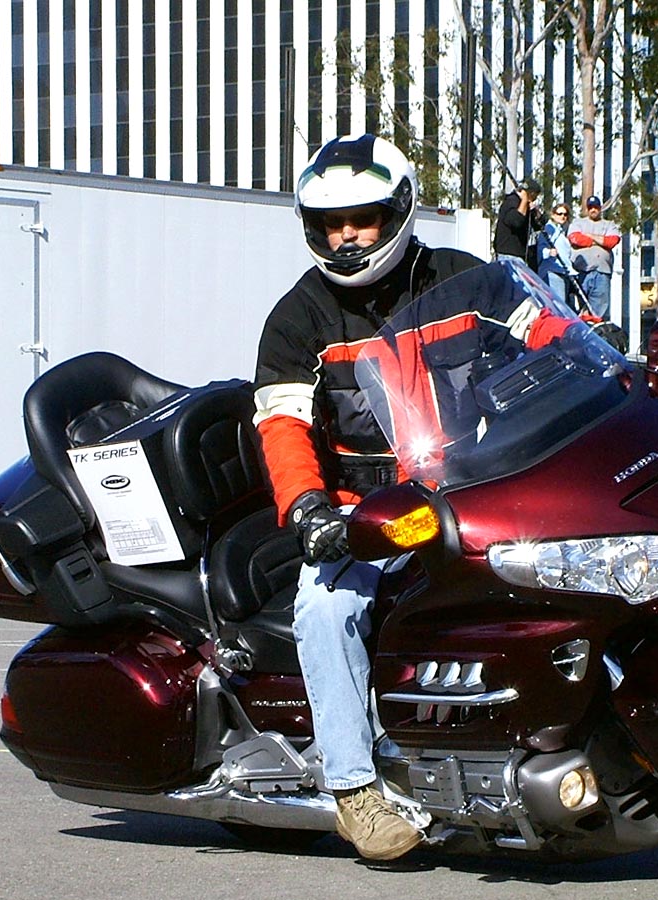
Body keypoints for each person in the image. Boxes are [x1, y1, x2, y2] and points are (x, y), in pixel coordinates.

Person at [250, 134, 483, 861]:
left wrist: (594, 344)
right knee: (327, 603)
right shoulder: (299, 317)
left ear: (399, 211)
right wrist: (308, 507)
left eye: (362, 218)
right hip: (368, 514)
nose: (346, 235)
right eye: (331, 223)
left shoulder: (462, 280)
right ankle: (354, 791)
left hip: (472, 491)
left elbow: (543, 334)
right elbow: (283, 426)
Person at [568, 195, 621, 318]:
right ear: (587, 209)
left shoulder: (609, 224)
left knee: (599, 308)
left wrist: (589, 236)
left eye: (596, 207)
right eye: (590, 207)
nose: (593, 210)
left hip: (602, 271)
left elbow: (612, 241)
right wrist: (600, 240)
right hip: (581, 271)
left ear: (600, 208)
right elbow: (575, 239)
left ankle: (594, 325)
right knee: (579, 306)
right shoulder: (578, 223)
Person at [493, 176, 543, 267]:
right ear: (531, 193)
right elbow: (516, 221)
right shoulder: (511, 202)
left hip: (520, 254)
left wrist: (535, 211)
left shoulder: (526, 206)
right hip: (509, 254)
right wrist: (524, 200)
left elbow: (539, 225)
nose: (535, 199)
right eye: (535, 196)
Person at [536, 203, 578, 307]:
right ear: (553, 215)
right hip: (553, 271)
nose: (563, 216)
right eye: (559, 214)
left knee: (564, 304)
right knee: (559, 305)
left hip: (564, 271)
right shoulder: (549, 228)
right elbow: (541, 248)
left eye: (565, 214)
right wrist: (549, 252)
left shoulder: (562, 231)